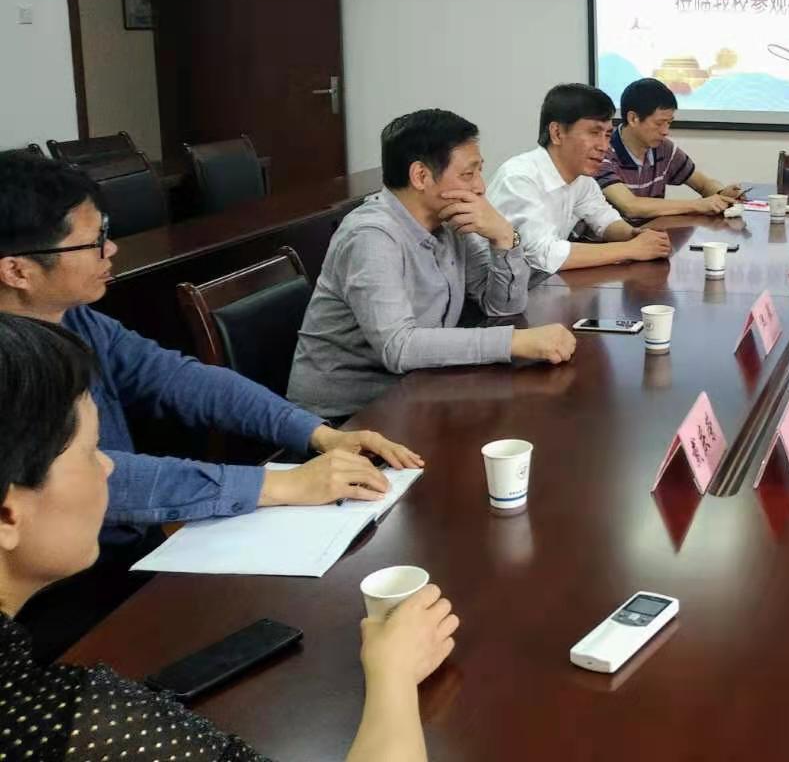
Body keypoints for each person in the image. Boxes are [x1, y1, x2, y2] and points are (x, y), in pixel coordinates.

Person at [0, 154, 421, 659]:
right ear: (17, 270)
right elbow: (97, 477)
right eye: (92, 243)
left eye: (105, 232)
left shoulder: (73, 318)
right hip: (45, 597)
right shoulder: (11, 369)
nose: (111, 249)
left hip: (119, 550)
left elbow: (179, 379)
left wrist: (317, 433)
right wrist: (277, 484)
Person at [0, 313, 460, 762]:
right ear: (7, 513)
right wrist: (393, 676)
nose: (110, 469)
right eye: (91, 453)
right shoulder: (63, 720)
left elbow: (183, 379)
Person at [289, 109, 576, 421]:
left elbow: (502, 307)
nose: (480, 186)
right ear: (421, 176)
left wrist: (505, 238)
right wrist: (513, 342)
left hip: (415, 390)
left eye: (479, 172)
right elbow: (399, 347)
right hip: (344, 419)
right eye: (468, 174)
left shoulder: (450, 222)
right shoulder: (370, 236)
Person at [489, 83, 673, 276]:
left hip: (535, 282)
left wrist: (635, 235)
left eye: (607, 135)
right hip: (492, 290)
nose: (604, 146)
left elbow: (605, 220)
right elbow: (543, 254)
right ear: (557, 133)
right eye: (594, 133)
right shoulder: (519, 179)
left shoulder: (581, 179)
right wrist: (632, 249)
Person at [596, 77, 746, 219]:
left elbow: (703, 184)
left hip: (655, 231)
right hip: (618, 236)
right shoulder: (602, 152)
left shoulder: (663, 148)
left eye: (669, 123)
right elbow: (631, 206)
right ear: (633, 118)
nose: (665, 131)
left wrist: (722, 194)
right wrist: (697, 205)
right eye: (659, 123)